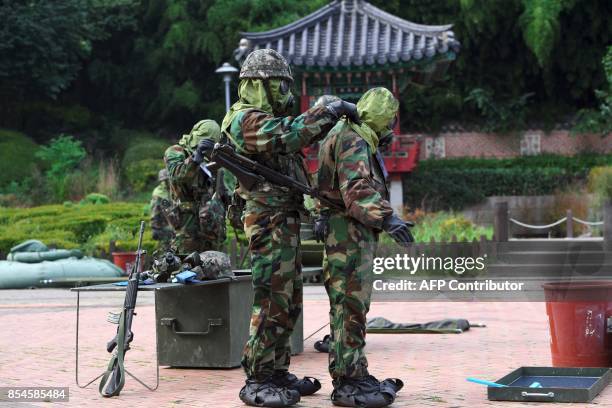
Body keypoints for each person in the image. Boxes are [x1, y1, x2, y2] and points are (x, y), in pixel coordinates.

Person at [220, 48, 360, 407]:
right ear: (258, 85)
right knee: (270, 299)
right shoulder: (244, 120)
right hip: (267, 223)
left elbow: (295, 160)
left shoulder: (264, 119)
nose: (284, 92)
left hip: (284, 220)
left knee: (287, 301)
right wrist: (325, 112)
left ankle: (277, 371)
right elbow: (289, 134)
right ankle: (258, 377)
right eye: (278, 85)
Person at [314, 87, 413, 408]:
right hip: (348, 237)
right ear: (383, 117)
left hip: (343, 234)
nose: (391, 130)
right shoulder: (354, 138)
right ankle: (348, 380)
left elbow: (326, 184)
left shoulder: (342, 133)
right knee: (351, 307)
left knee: (345, 307)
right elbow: (356, 190)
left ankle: (351, 371)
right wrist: (389, 219)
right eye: (390, 122)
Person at [163, 119, 228, 255]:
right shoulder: (176, 151)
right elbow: (177, 175)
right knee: (187, 272)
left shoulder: (212, 160)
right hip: (187, 230)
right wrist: (196, 157)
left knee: (213, 272)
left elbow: (221, 193)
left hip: (210, 231)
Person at [150, 168, 174, 250]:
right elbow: (156, 212)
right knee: (166, 249)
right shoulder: (159, 192)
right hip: (161, 226)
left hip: (169, 225)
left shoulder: (171, 190)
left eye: (167, 180)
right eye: (164, 180)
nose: (166, 182)